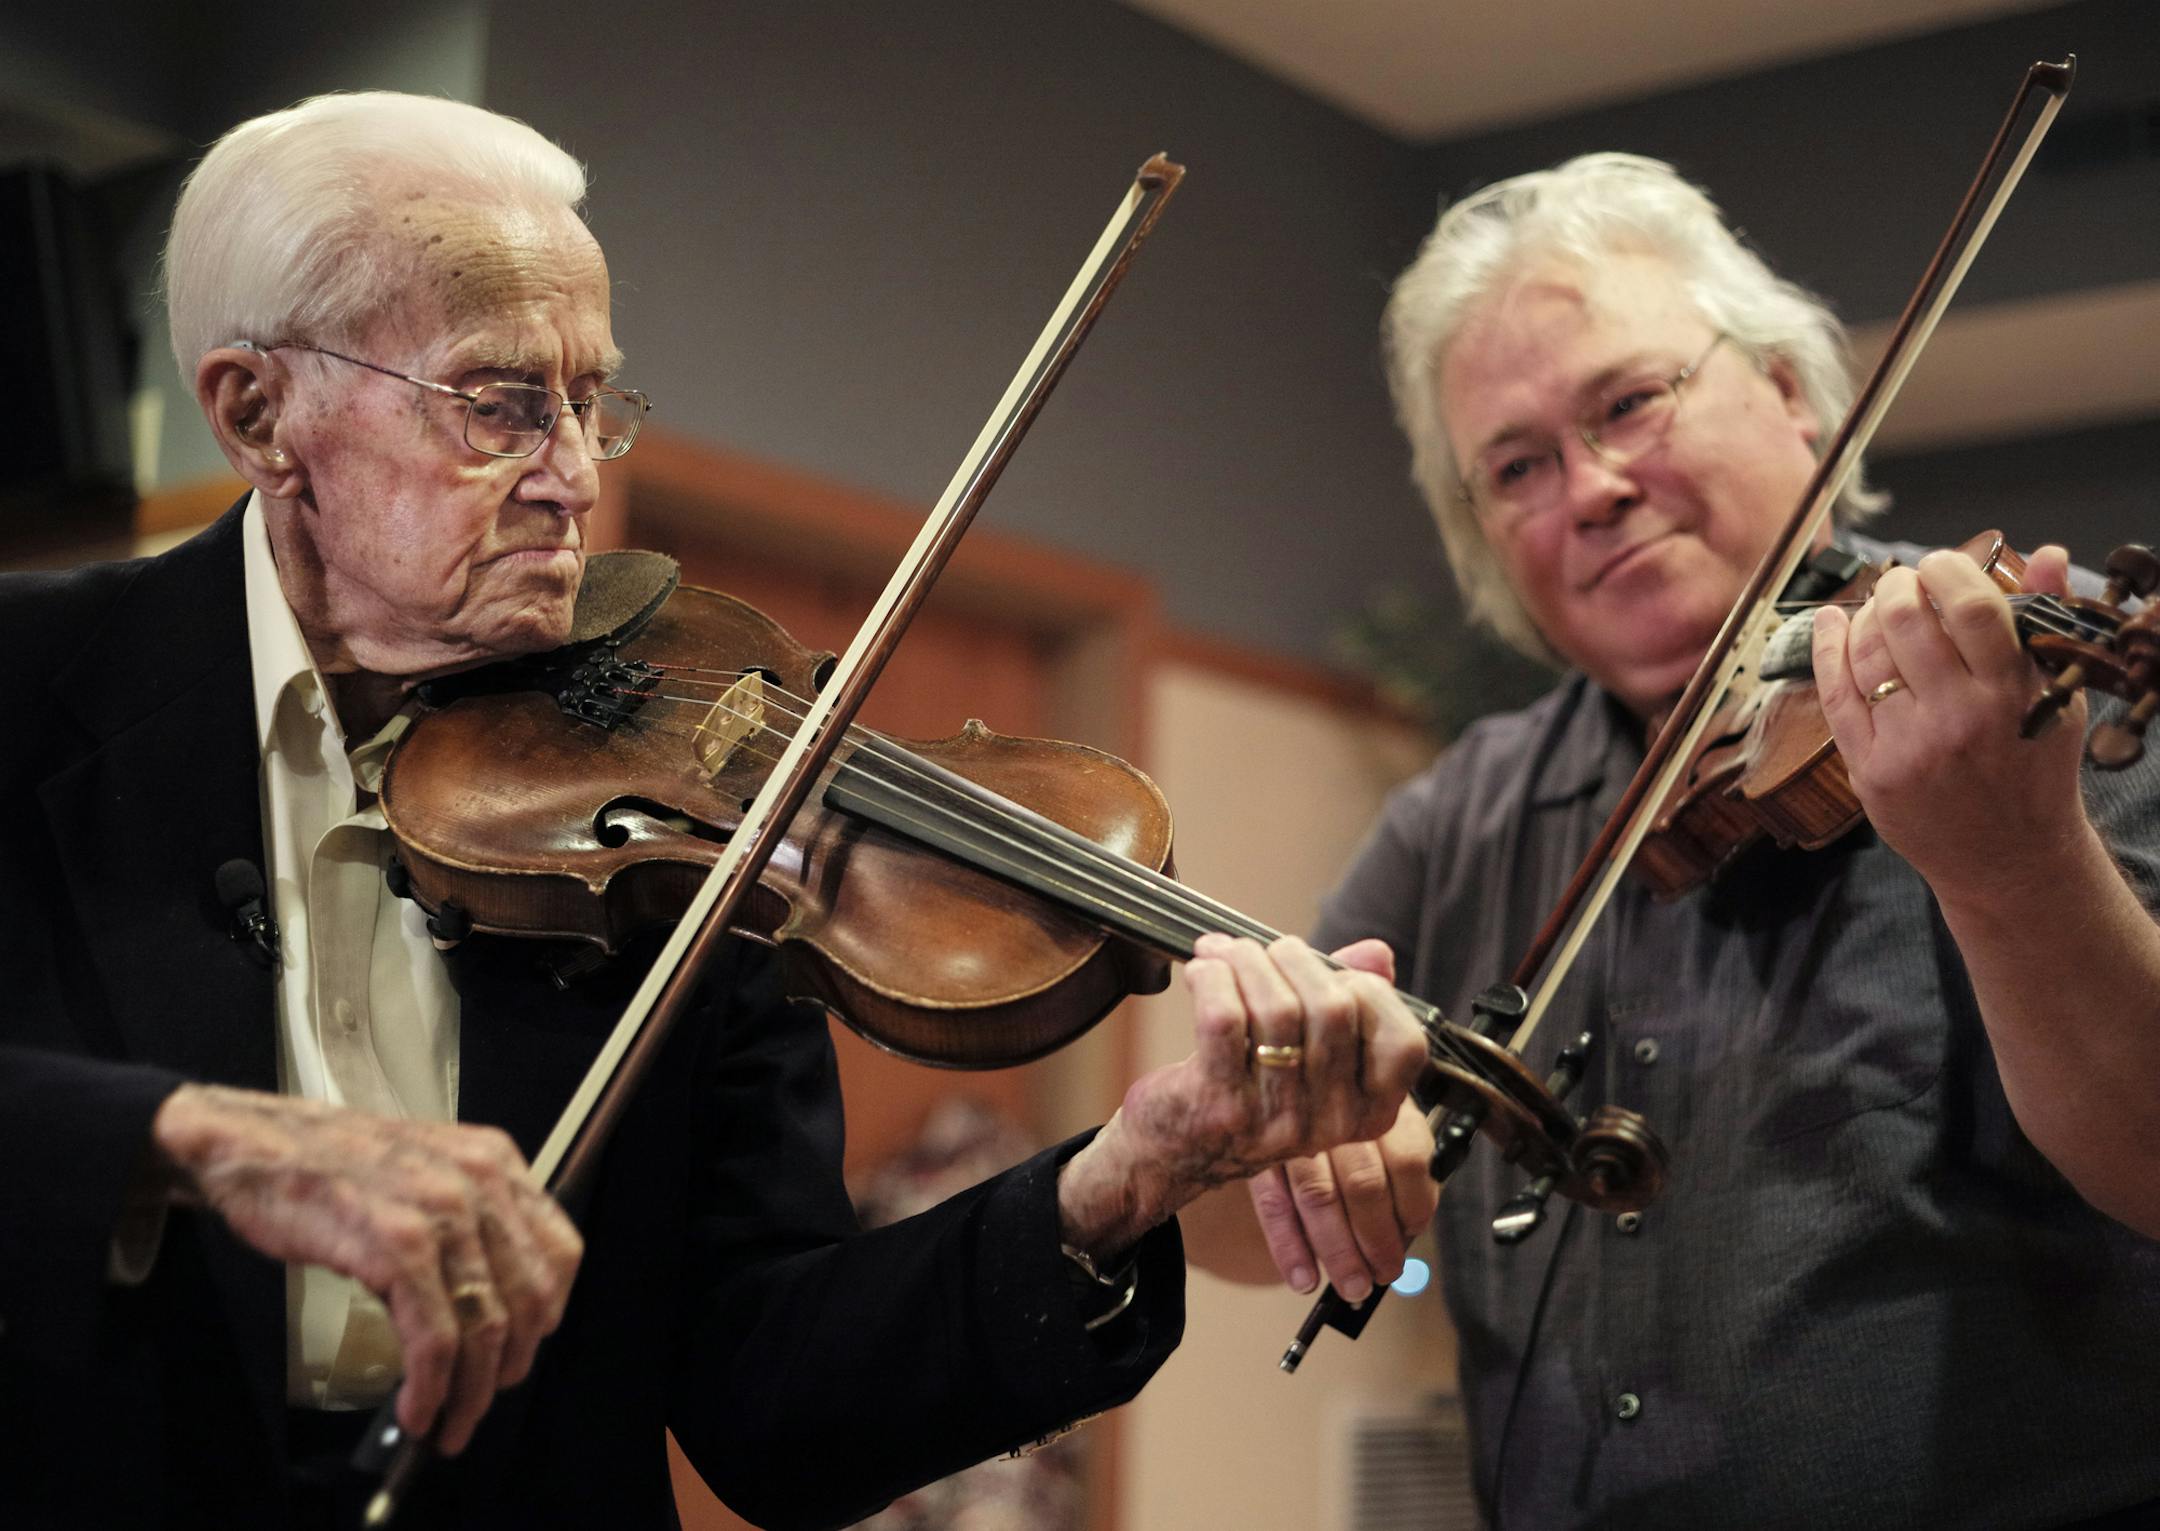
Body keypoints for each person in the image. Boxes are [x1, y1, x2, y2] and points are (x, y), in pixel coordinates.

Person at [0, 92, 1428, 1531]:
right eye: (500, 404)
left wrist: (1124, 1179)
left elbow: (773, 1402)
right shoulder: (28, 689)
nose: (573, 477)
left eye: (590, 401)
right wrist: (192, 1140)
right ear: (259, 414)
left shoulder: (693, 823)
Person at [1182, 152, 2160, 1528]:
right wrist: (1291, 1150)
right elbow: (1221, 1231)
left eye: (1631, 403)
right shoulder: (1466, 815)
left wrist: (2019, 869)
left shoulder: (2028, 690)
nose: (1589, 489)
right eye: (1517, 467)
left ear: (1790, 391)